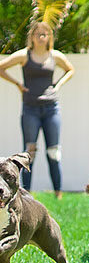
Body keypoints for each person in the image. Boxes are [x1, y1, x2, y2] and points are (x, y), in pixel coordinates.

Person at [0, 21, 74, 199]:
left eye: (45, 34)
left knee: (53, 151)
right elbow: (1, 68)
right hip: (30, 109)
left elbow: (70, 70)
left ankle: (58, 193)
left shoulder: (54, 56)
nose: (41, 37)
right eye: (38, 34)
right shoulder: (24, 56)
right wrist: (18, 84)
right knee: (29, 152)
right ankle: (26, 194)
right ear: (31, 37)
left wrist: (58, 85)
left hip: (51, 109)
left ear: (49, 37)